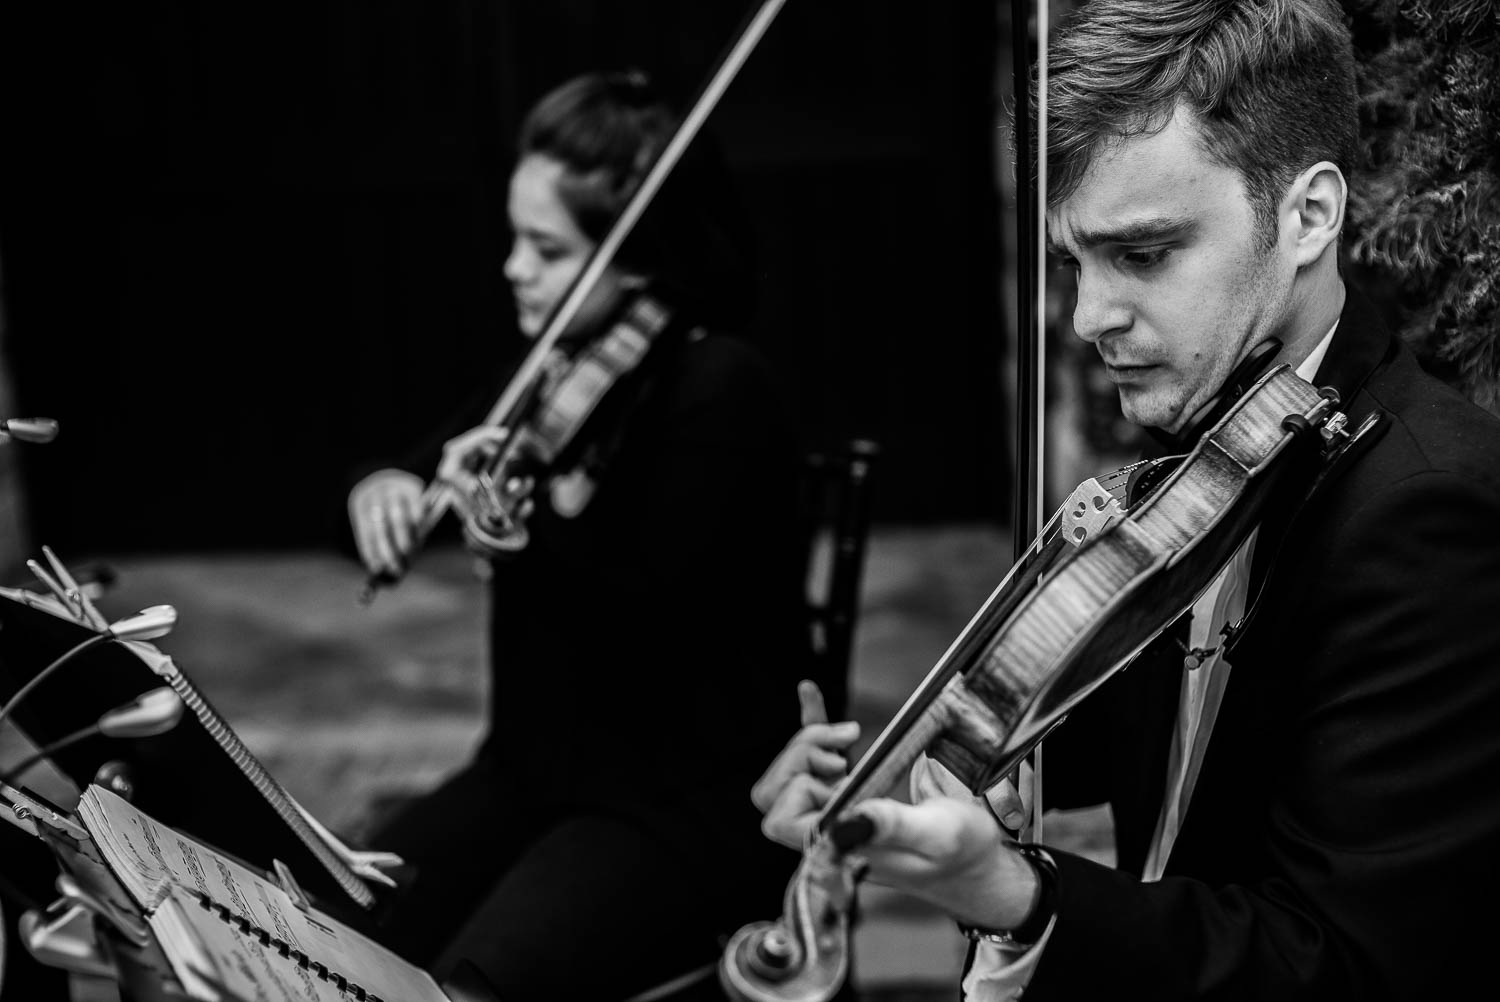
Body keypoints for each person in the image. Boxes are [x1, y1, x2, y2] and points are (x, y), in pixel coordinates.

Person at [754, 2, 1500, 1000]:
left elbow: (1343, 963)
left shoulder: (1426, 512)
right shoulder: (1195, 479)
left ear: (1311, 215)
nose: (1088, 316)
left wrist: (1024, 898)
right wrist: (911, 776)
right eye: (1073, 260)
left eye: (1143, 255)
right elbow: (1099, 749)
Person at [346, 71, 812, 999]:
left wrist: (523, 534)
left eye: (546, 249)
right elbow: (432, 454)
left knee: (466, 986)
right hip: (530, 773)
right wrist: (387, 487)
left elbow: (647, 614)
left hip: (674, 801)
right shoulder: (553, 369)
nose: (513, 268)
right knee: (327, 917)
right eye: (517, 237)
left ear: (636, 256)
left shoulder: (718, 386)